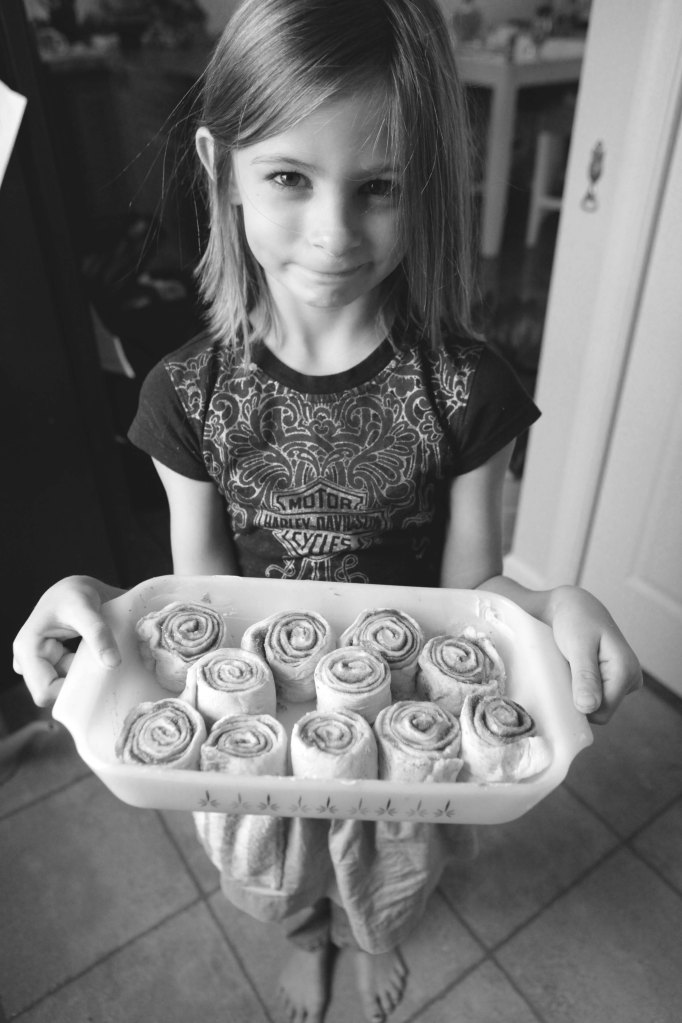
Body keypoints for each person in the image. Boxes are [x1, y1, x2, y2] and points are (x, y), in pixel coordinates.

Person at [12, 1, 642, 1021]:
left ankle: (369, 928)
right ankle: (305, 931)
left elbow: (473, 592)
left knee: (390, 862)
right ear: (222, 170)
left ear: (426, 183)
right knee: (270, 865)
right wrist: (97, 601)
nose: (334, 232)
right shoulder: (186, 397)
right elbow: (201, 597)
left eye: (381, 185)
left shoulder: (465, 390)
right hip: (251, 725)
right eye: (289, 179)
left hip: (406, 727)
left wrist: (555, 603)